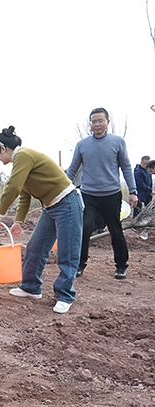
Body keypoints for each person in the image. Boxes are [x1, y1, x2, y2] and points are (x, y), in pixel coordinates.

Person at [0, 126, 83, 314]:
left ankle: (65, 295)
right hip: (51, 207)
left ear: (3, 149)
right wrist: (18, 221)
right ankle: (31, 287)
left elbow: (14, 187)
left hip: (67, 202)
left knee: (67, 250)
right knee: (35, 246)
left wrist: (0, 212)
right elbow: (24, 194)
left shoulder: (23, 155)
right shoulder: (20, 163)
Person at [66, 108, 137, 280]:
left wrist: (133, 191)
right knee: (85, 229)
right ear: (89, 124)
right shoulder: (82, 145)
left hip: (112, 194)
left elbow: (126, 167)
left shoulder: (117, 142)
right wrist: (63, 189)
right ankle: (79, 265)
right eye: (93, 121)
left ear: (107, 122)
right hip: (88, 195)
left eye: (100, 121)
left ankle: (121, 266)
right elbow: (72, 170)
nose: (97, 124)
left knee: (115, 230)